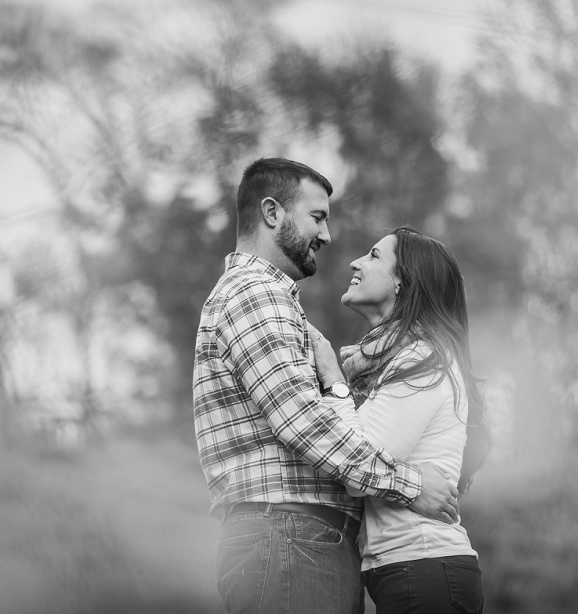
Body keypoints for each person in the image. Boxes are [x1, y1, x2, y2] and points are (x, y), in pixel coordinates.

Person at [192, 159, 461, 614]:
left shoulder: (261, 296)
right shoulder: (255, 293)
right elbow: (304, 425)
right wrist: (413, 487)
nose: (327, 235)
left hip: (293, 540)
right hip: (291, 539)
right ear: (273, 213)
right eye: (317, 217)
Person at [311, 226, 492, 613]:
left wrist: (334, 381)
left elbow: (360, 466)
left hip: (423, 569)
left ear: (401, 283)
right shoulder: (404, 360)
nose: (355, 262)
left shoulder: (421, 360)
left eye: (374, 256)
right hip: (412, 570)